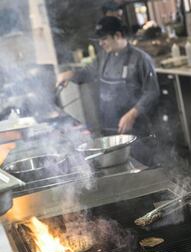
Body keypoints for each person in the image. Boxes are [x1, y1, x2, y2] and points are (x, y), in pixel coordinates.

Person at [57, 16, 160, 164]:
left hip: (136, 131)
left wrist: (132, 114)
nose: (101, 43)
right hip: (110, 130)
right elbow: (87, 74)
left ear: (118, 35)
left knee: (142, 168)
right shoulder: (103, 57)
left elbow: (152, 92)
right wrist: (70, 74)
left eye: (104, 39)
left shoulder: (140, 59)